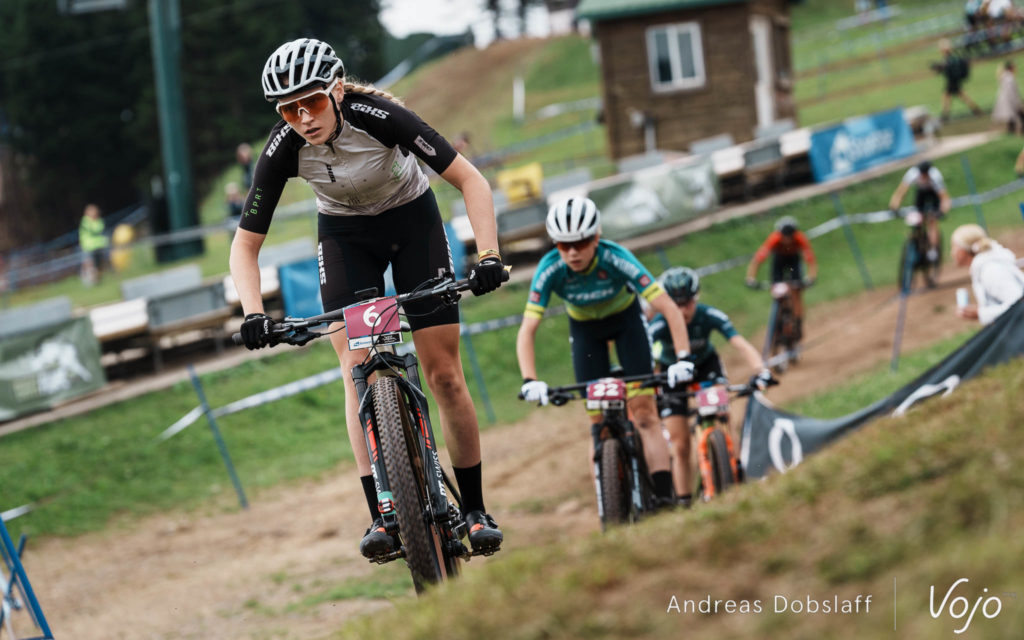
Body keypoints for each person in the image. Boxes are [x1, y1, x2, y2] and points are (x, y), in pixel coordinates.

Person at [229, 38, 506, 558]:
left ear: (336, 90)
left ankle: (474, 510)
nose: (303, 118)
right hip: (345, 239)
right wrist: (253, 313)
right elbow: (245, 246)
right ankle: (382, 513)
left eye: (312, 101)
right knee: (355, 370)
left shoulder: (381, 116)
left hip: (413, 224)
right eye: (288, 109)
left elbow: (471, 181)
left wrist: (488, 256)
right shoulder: (283, 147)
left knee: (444, 374)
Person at [515, 197, 695, 509]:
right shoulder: (550, 269)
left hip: (627, 324)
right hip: (586, 332)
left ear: (596, 237)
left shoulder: (616, 257)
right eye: (564, 245)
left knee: (644, 413)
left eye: (581, 243)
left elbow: (668, 307)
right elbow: (527, 329)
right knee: (597, 423)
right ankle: (606, 505)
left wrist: (683, 358)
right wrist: (530, 380)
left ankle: (666, 498)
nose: (573, 252)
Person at [648, 266, 773, 506]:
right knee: (680, 444)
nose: (683, 310)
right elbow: (644, 355)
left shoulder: (709, 315)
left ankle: (734, 464)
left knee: (723, 413)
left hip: (706, 366)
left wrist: (761, 371)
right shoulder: (659, 324)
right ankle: (684, 501)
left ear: (696, 298)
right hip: (672, 373)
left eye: (688, 303)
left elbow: (739, 342)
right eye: (676, 305)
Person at [744, 216, 818, 340]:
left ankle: (798, 322)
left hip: (793, 261)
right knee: (776, 289)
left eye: (790, 236)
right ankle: (778, 315)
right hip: (779, 261)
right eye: (785, 236)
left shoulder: (800, 238)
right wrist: (750, 278)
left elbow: (810, 258)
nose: (787, 240)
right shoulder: (774, 239)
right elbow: (758, 259)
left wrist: (811, 277)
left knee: (796, 290)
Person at [950, 224, 1024, 324]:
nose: (952, 252)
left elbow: (1019, 306)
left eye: (954, 247)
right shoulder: (984, 268)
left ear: (964, 249)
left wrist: (981, 313)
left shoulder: (991, 271)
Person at [888, 160, 952, 264]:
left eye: (925, 174)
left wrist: (942, 211)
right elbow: (901, 192)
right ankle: (916, 242)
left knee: (932, 221)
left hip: (933, 194)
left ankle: (933, 250)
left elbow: (944, 197)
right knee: (917, 218)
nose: (923, 176)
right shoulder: (912, 174)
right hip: (921, 193)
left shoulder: (935, 176)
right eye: (922, 174)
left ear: (928, 173)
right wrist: (894, 206)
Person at [934, 39, 983, 122]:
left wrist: (939, 68)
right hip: (954, 80)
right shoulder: (951, 57)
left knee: (948, 96)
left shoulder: (949, 58)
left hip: (952, 81)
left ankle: (945, 116)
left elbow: (946, 67)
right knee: (959, 96)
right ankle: (976, 110)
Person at [79, 203, 109, 285]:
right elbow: (94, 230)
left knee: (99, 265)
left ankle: (97, 280)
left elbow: (100, 229)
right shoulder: (85, 221)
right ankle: (90, 281)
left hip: (99, 246)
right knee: (89, 265)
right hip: (88, 247)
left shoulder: (99, 220)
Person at [992, 60, 1024, 133]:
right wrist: (1018, 103)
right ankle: (1019, 131)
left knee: (1012, 119)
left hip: (1007, 101)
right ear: (1011, 68)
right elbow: (1012, 93)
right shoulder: (1009, 78)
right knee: (1019, 116)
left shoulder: (1005, 77)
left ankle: (1011, 131)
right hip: (1010, 101)